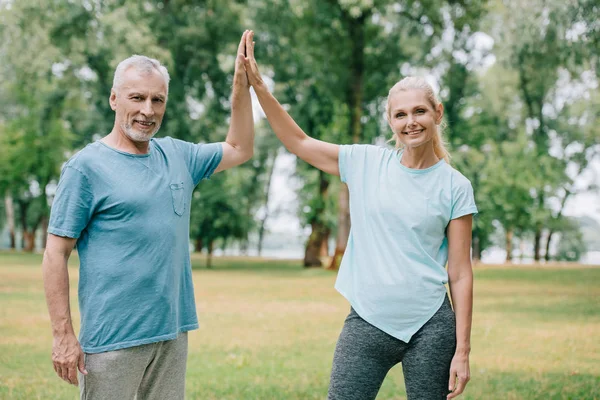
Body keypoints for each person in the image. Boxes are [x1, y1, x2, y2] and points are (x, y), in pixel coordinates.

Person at [241, 32, 476, 399]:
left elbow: (460, 273)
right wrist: (259, 87)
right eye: (400, 114)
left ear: (437, 114)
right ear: (390, 121)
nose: (410, 122)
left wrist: (462, 350)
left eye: (420, 111)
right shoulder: (365, 162)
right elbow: (299, 142)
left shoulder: (455, 186)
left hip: (431, 325)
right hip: (369, 320)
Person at [42, 31, 254, 399]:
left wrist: (240, 84)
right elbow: (55, 253)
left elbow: (240, 147)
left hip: (171, 333)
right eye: (137, 98)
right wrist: (63, 335)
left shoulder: (179, 156)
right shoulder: (86, 167)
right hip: (112, 341)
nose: (148, 110)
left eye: (158, 100)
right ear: (113, 99)